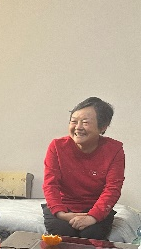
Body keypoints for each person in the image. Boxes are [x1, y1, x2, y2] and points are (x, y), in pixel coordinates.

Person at [42, 96, 125, 240]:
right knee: (63, 233)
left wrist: (93, 216)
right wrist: (62, 214)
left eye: (85, 122)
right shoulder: (57, 147)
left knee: (92, 234)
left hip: (96, 207)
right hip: (63, 206)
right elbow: (50, 184)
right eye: (74, 121)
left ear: (103, 127)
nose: (78, 127)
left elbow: (113, 188)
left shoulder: (114, 150)